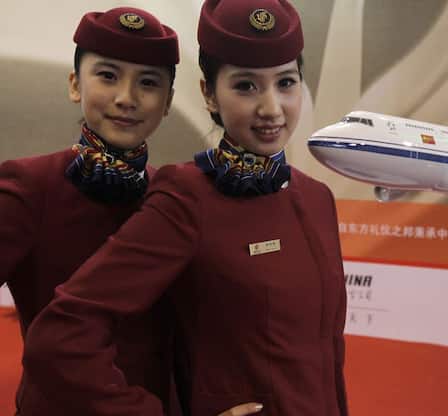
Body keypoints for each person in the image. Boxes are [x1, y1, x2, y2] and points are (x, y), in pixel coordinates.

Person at [23, 1, 348, 415]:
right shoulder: (187, 195)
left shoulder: (317, 197)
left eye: (286, 82)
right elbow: (62, 333)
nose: (271, 108)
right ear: (209, 94)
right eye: (245, 86)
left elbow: (326, 360)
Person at [0, 6, 180, 415]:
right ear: (75, 85)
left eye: (148, 83)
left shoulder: (172, 196)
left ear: (168, 101)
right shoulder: (31, 185)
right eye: (108, 75)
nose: (126, 98)